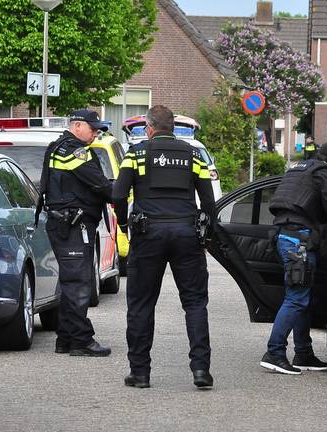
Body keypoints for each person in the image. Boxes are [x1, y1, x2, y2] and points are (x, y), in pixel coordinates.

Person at [112, 105, 216, 390]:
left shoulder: (136, 154)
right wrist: (207, 233)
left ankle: (140, 373)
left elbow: (118, 194)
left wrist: (124, 224)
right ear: (172, 127)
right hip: (186, 233)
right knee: (194, 303)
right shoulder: (193, 155)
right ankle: (200, 370)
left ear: (149, 128)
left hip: (147, 234)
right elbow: (208, 201)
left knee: (141, 304)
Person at [260, 141, 327, 375]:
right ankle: (275, 352)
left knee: (303, 297)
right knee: (296, 298)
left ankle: (303, 353)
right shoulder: (324, 174)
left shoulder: (297, 169)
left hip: (285, 236)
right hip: (298, 240)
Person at [37, 109, 113, 357]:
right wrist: (121, 192)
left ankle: (66, 338)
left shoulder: (58, 147)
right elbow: (100, 184)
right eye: (93, 129)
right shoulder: (74, 150)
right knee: (78, 283)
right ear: (78, 126)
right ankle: (81, 340)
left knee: (71, 281)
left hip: (65, 224)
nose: (96, 134)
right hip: (73, 225)